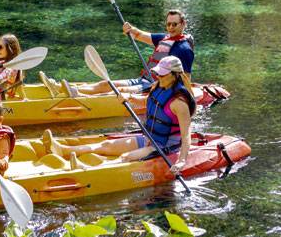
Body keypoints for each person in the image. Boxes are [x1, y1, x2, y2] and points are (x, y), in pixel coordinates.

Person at [41, 56, 195, 173]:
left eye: (162, 74)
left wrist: (182, 160)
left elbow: (186, 134)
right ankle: (63, 150)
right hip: (149, 137)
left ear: (175, 75)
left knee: (126, 157)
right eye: (158, 73)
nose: (158, 76)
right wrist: (130, 98)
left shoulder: (180, 103)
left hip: (164, 146)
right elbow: (149, 102)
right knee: (105, 145)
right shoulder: (159, 86)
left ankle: (86, 170)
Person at [41, 10, 194, 97]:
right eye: (168, 24)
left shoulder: (184, 49)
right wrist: (129, 28)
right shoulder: (163, 38)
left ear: (183, 24)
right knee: (105, 84)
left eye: (175, 24)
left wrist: (185, 99)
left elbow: (186, 79)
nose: (171, 27)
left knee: (119, 91)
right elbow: (138, 35)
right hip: (144, 80)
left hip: (156, 88)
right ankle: (61, 89)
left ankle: (80, 96)